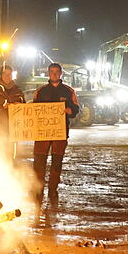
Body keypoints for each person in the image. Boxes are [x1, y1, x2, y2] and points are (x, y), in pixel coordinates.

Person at [32, 62, 79, 205]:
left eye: (56, 71)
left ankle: (53, 189)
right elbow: (32, 111)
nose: (54, 74)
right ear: (48, 73)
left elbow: (76, 108)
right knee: (39, 162)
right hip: (42, 133)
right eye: (51, 71)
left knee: (56, 162)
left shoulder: (68, 91)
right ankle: (38, 189)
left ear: (61, 73)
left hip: (60, 132)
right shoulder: (40, 91)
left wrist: (71, 111)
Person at [0, 65, 25, 159]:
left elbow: (24, 105)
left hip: (13, 128)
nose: (7, 76)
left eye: (9, 74)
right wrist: (2, 106)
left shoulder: (17, 91)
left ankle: (10, 170)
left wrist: (17, 105)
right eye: (5, 74)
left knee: (10, 154)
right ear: (0, 75)